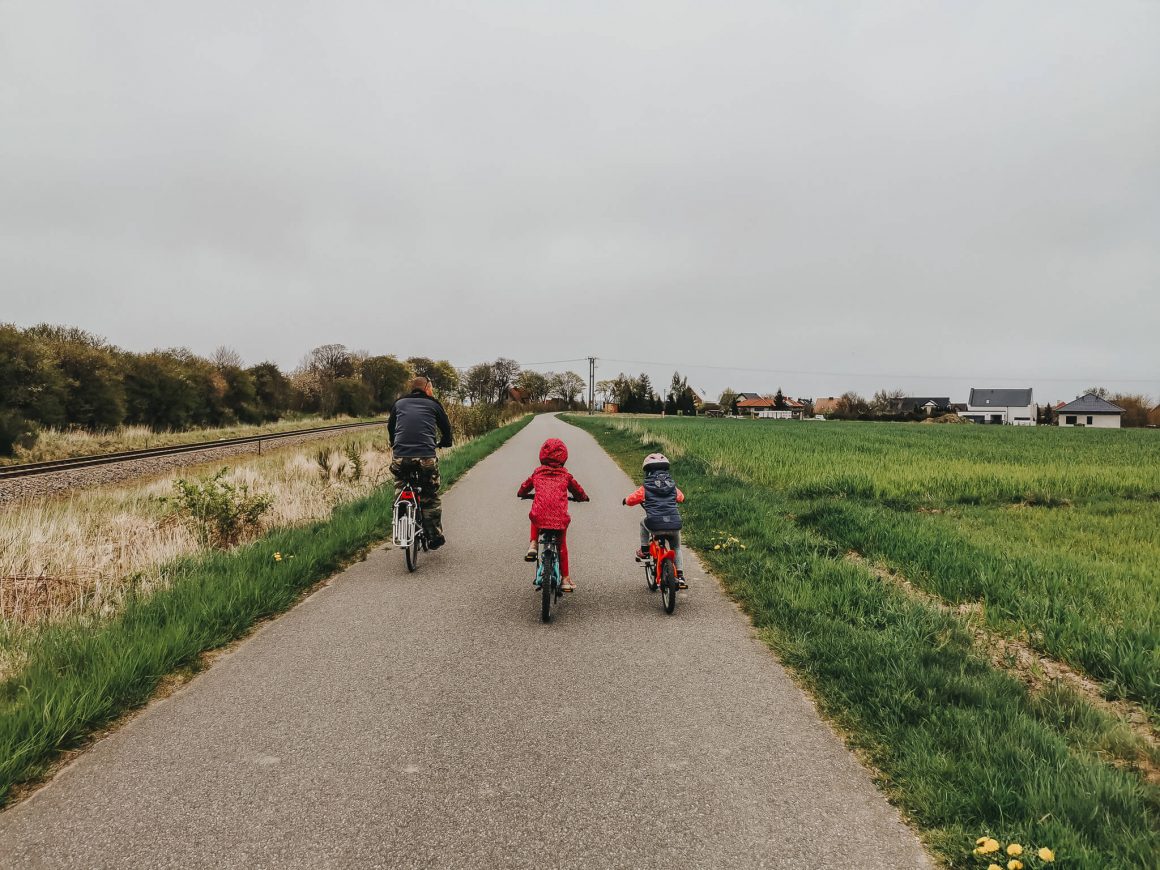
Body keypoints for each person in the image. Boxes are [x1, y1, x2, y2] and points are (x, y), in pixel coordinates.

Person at [387, 376, 453, 548]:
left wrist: (395, 444)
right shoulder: (433, 404)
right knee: (429, 496)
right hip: (425, 457)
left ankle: (402, 524)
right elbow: (446, 428)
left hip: (400, 457)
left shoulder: (399, 404)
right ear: (427, 388)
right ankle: (434, 537)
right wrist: (446, 442)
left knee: (401, 486)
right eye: (431, 388)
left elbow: (391, 427)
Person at [517, 437, 589, 592]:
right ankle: (565, 579)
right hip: (559, 519)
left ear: (542, 455)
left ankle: (533, 544)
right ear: (564, 457)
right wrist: (583, 498)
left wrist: (521, 493)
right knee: (561, 544)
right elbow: (577, 490)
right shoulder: (565, 475)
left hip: (540, 517)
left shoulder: (537, 473)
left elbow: (525, 486)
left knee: (535, 514)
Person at [623, 452, 688, 588]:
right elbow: (681, 498)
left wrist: (625, 500)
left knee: (643, 521)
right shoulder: (672, 486)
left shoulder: (645, 488)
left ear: (647, 472)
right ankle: (680, 576)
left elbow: (631, 500)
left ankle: (645, 549)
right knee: (676, 547)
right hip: (674, 524)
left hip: (655, 524)